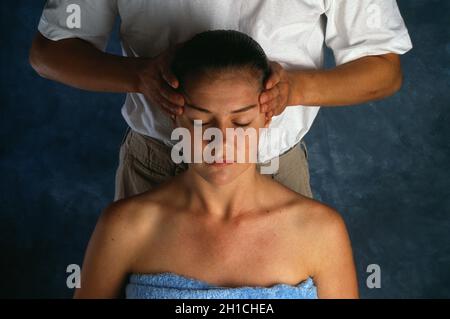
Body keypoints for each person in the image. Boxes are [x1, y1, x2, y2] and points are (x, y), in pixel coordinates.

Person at [29, 0, 413, 200]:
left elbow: (383, 67)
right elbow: (49, 53)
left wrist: (295, 89)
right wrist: (139, 76)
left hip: (273, 168)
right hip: (159, 165)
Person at [74, 30, 358, 299]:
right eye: (201, 122)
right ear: (175, 116)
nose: (222, 140)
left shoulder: (320, 231)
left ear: (266, 118)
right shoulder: (126, 226)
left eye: (241, 122)